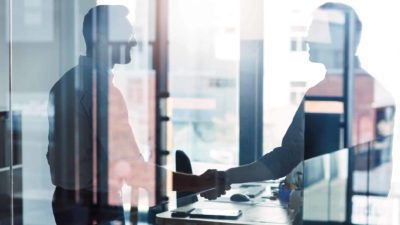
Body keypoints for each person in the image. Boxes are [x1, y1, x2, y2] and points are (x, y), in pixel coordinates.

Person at [47, 5, 226, 225]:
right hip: (95, 208)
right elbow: (135, 170)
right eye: (127, 35)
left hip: (68, 203)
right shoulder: (101, 92)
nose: (133, 42)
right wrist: (198, 182)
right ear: (102, 38)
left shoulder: (63, 84)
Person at [202, 2, 395, 201]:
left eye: (316, 31)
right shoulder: (373, 90)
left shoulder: (329, 94)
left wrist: (225, 177)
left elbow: (287, 158)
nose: (307, 39)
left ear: (337, 39)